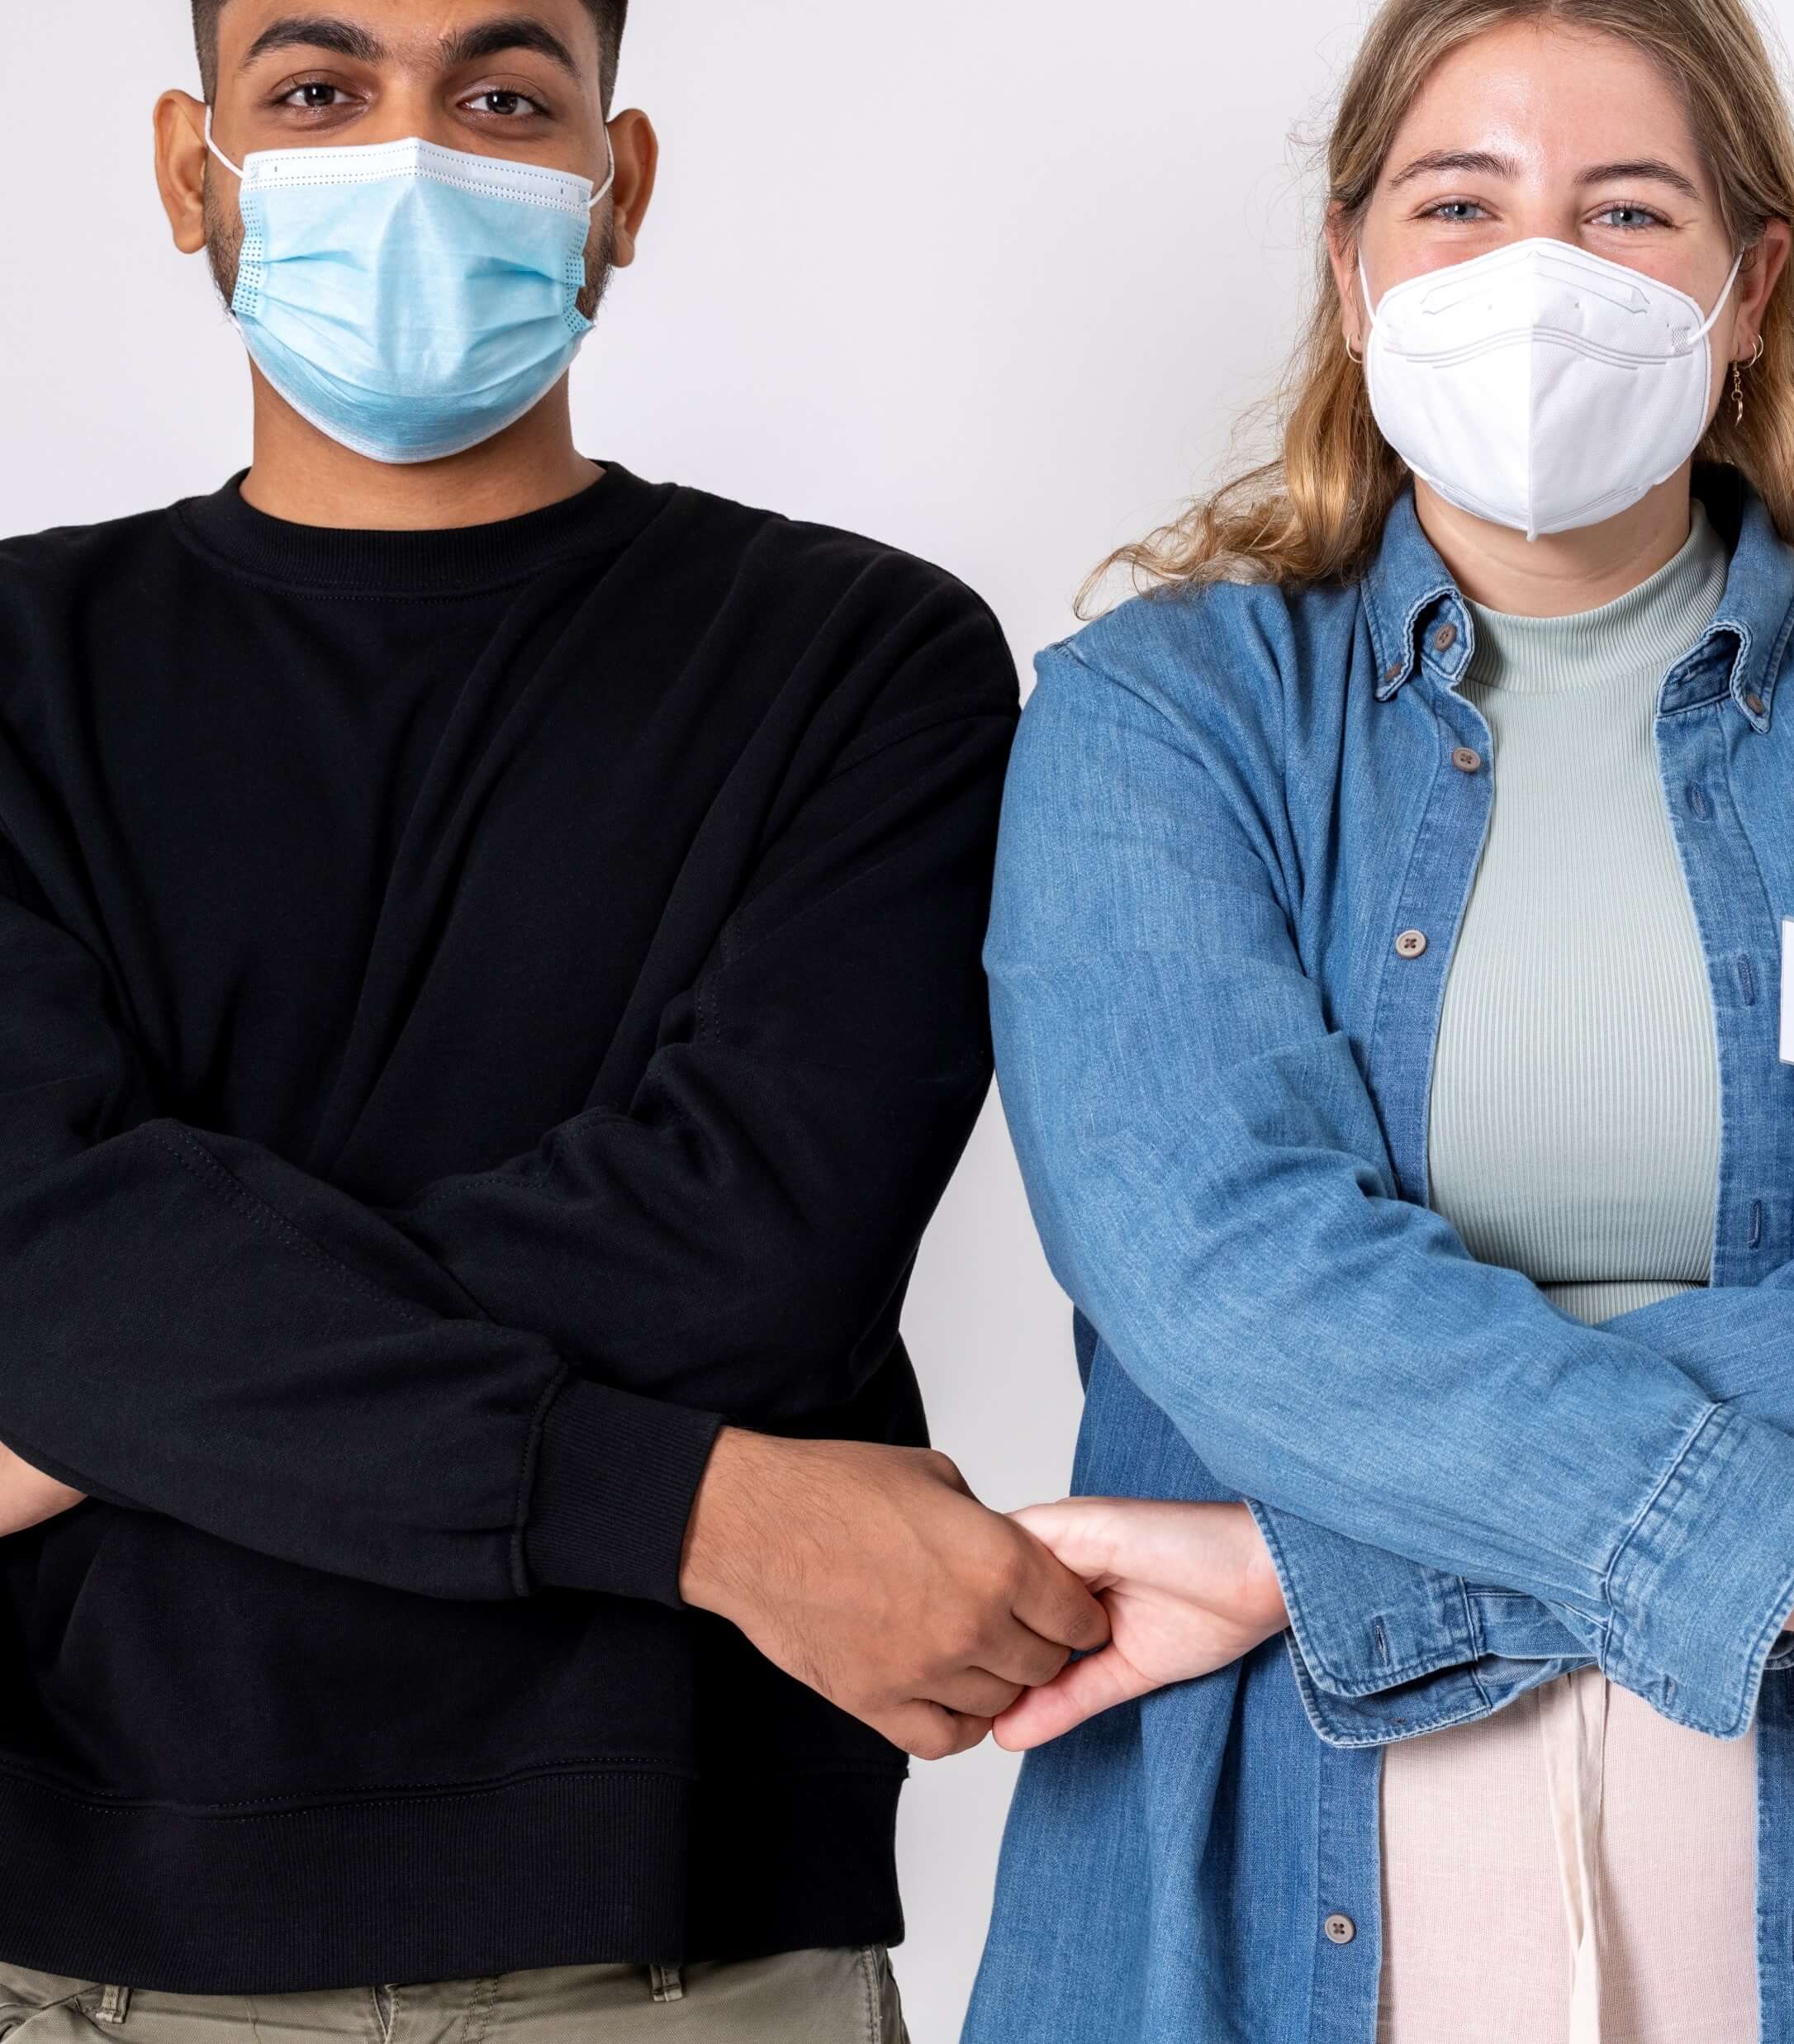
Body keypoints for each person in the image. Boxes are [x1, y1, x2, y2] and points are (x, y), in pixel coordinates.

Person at [963, 2, 1794, 2038]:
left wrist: (1304, 1559)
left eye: (1625, 211)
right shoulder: (1160, 718)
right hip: (1280, 1840)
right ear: (1351, 274)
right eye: (1458, 205)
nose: (1536, 271)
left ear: (1747, 288)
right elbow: (1228, 1276)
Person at [0, 2, 1106, 2035]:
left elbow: (750, 1246)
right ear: (186, 166)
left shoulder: (863, 662)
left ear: (620, 181)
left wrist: (99, 1396)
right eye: (317, 93)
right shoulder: (11, 668)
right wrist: (703, 1509)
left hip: (683, 1942)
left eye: (503, 98)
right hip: (74, 1955)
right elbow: (37, 1259)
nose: (413, 155)